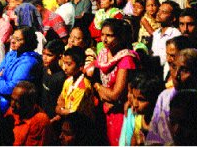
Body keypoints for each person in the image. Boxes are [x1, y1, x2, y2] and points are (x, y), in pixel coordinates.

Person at [93, 18, 140, 146]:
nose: (105, 39)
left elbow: (116, 94)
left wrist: (98, 87)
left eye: (109, 35)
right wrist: (101, 93)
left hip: (119, 111)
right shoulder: (103, 53)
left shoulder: (126, 59)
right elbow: (94, 80)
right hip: (104, 109)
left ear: (120, 37)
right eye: (102, 34)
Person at [0, 26, 43, 113]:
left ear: (28, 42)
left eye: (18, 39)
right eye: (13, 37)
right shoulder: (11, 55)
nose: (12, 41)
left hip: (16, 108)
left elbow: (11, 89)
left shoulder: (28, 62)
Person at [119, 71, 165, 146]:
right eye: (134, 97)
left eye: (141, 100)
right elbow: (133, 141)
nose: (135, 104)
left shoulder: (161, 125)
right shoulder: (139, 117)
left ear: (154, 100)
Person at [5, 81, 54, 145]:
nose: (12, 104)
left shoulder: (40, 121)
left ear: (30, 103)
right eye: (12, 99)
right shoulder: (14, 110)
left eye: (18, 102)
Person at [55, 46, 94, 121]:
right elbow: (60, 100)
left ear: (80, 66)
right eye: (64, 63)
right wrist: (62, 109)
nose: (65, 67)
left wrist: (61, 110)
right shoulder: (69, 80)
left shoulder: (83, 87)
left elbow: (72, 112)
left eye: (69, 64)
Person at [41, 40, 66, 122]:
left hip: (53, 119)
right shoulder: (43, 69)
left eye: (49, 55)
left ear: (59, 57)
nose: (45, 58)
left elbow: (63, 102)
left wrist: (57, 117)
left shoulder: (61, 78)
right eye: (43, 54)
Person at [152, 0, 181, 67]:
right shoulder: (156, 34)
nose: (158, 14)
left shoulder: (175, 35)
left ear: (173, 18)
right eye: (159, 10)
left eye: (164, 12)